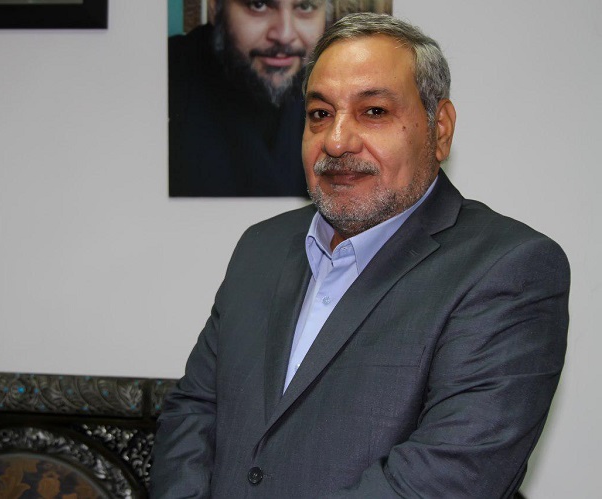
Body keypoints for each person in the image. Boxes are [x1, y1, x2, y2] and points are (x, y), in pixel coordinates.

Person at [152, 12, 570, 498]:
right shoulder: (260, 247)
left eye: (373, 111)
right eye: (319, 114)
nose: (336, 141)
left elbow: (448, 476)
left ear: (439, 129)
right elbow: (194, 410)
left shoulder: (508, 268)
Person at [168, 0, 330, 197]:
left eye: (305, 7)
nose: (285, 36)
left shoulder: (340, 86)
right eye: (258, 5)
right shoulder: (161, 77)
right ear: (214, 7)